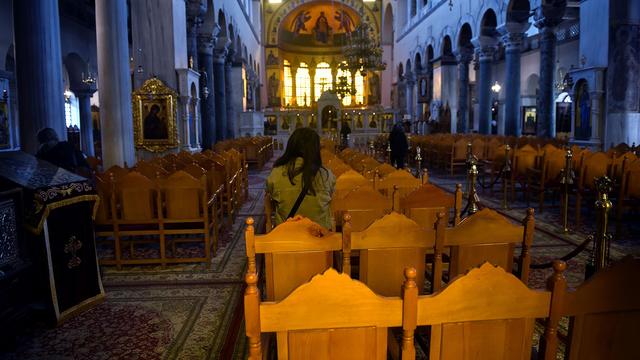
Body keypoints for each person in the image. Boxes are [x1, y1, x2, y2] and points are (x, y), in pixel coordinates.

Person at [266, 128, 335, 229]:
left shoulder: (276, 173)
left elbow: (270, 195)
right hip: (318, 238)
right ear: (315, 149)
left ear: (291, 147)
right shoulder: (326, 175)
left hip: (286, 237)